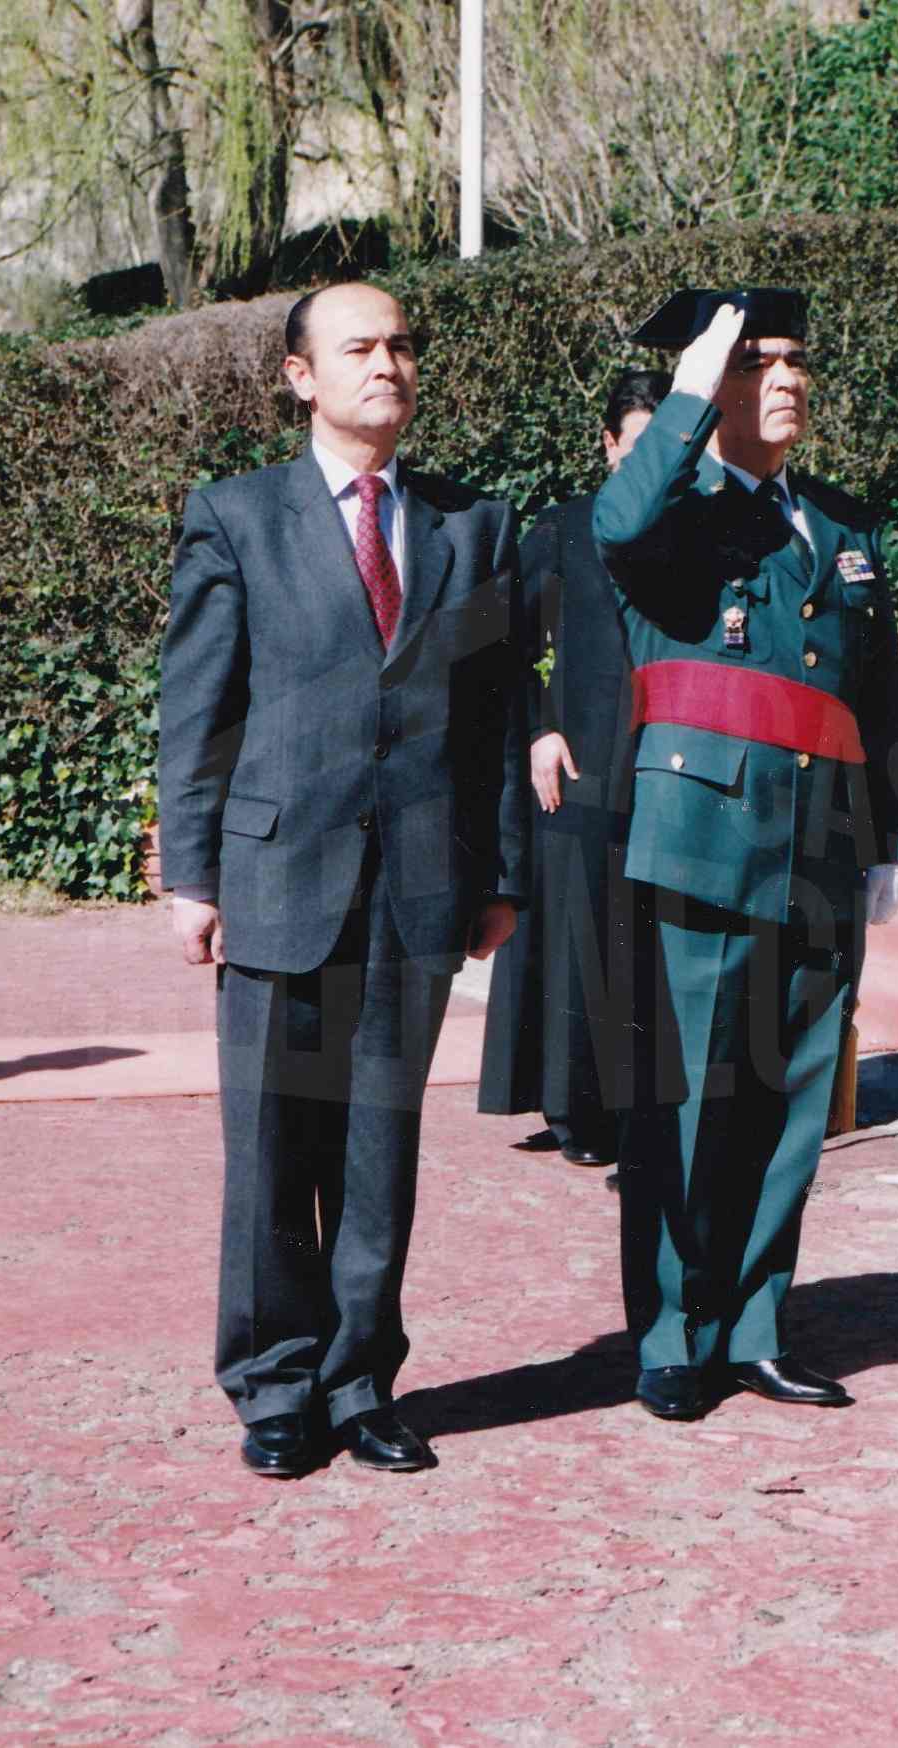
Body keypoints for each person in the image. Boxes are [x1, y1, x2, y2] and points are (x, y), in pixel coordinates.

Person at [159, 282, 526, 1477]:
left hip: (417, 888)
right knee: (271, 1147)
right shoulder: (235, 517)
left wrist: (502, 873)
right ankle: (273, 1383)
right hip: (277, 878)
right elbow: (198, 714)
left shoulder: (473, 526)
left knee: (378, 1149)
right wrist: (193, 874)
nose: (389, 364)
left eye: (404, 345)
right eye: (360, 347)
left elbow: (495, 717)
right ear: (300, 374)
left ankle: (361, 1378)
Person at [592, 286, 898, 1421]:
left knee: (787, 1101)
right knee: (689, 1102)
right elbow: (617, 524)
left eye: (793, 362)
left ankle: (756, 1325)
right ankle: (675, 1334)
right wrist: (689, 385)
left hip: (822, 842)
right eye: (754, 363)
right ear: (714, 388)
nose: (782, 379)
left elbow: (880, 697)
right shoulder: (671, 516)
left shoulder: (839, 526)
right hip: (697, 841)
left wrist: (894, 838)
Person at [478, 369, 670, 1168]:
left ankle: (650, 1105)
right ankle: (577, 1109)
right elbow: (503, 646)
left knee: (651, 941)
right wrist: (538, 733)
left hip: (667, 767)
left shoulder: (701, 534)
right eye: (637, 445)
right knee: (582, 936)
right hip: (581, 761)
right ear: (608, 446)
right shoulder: (564, 528)